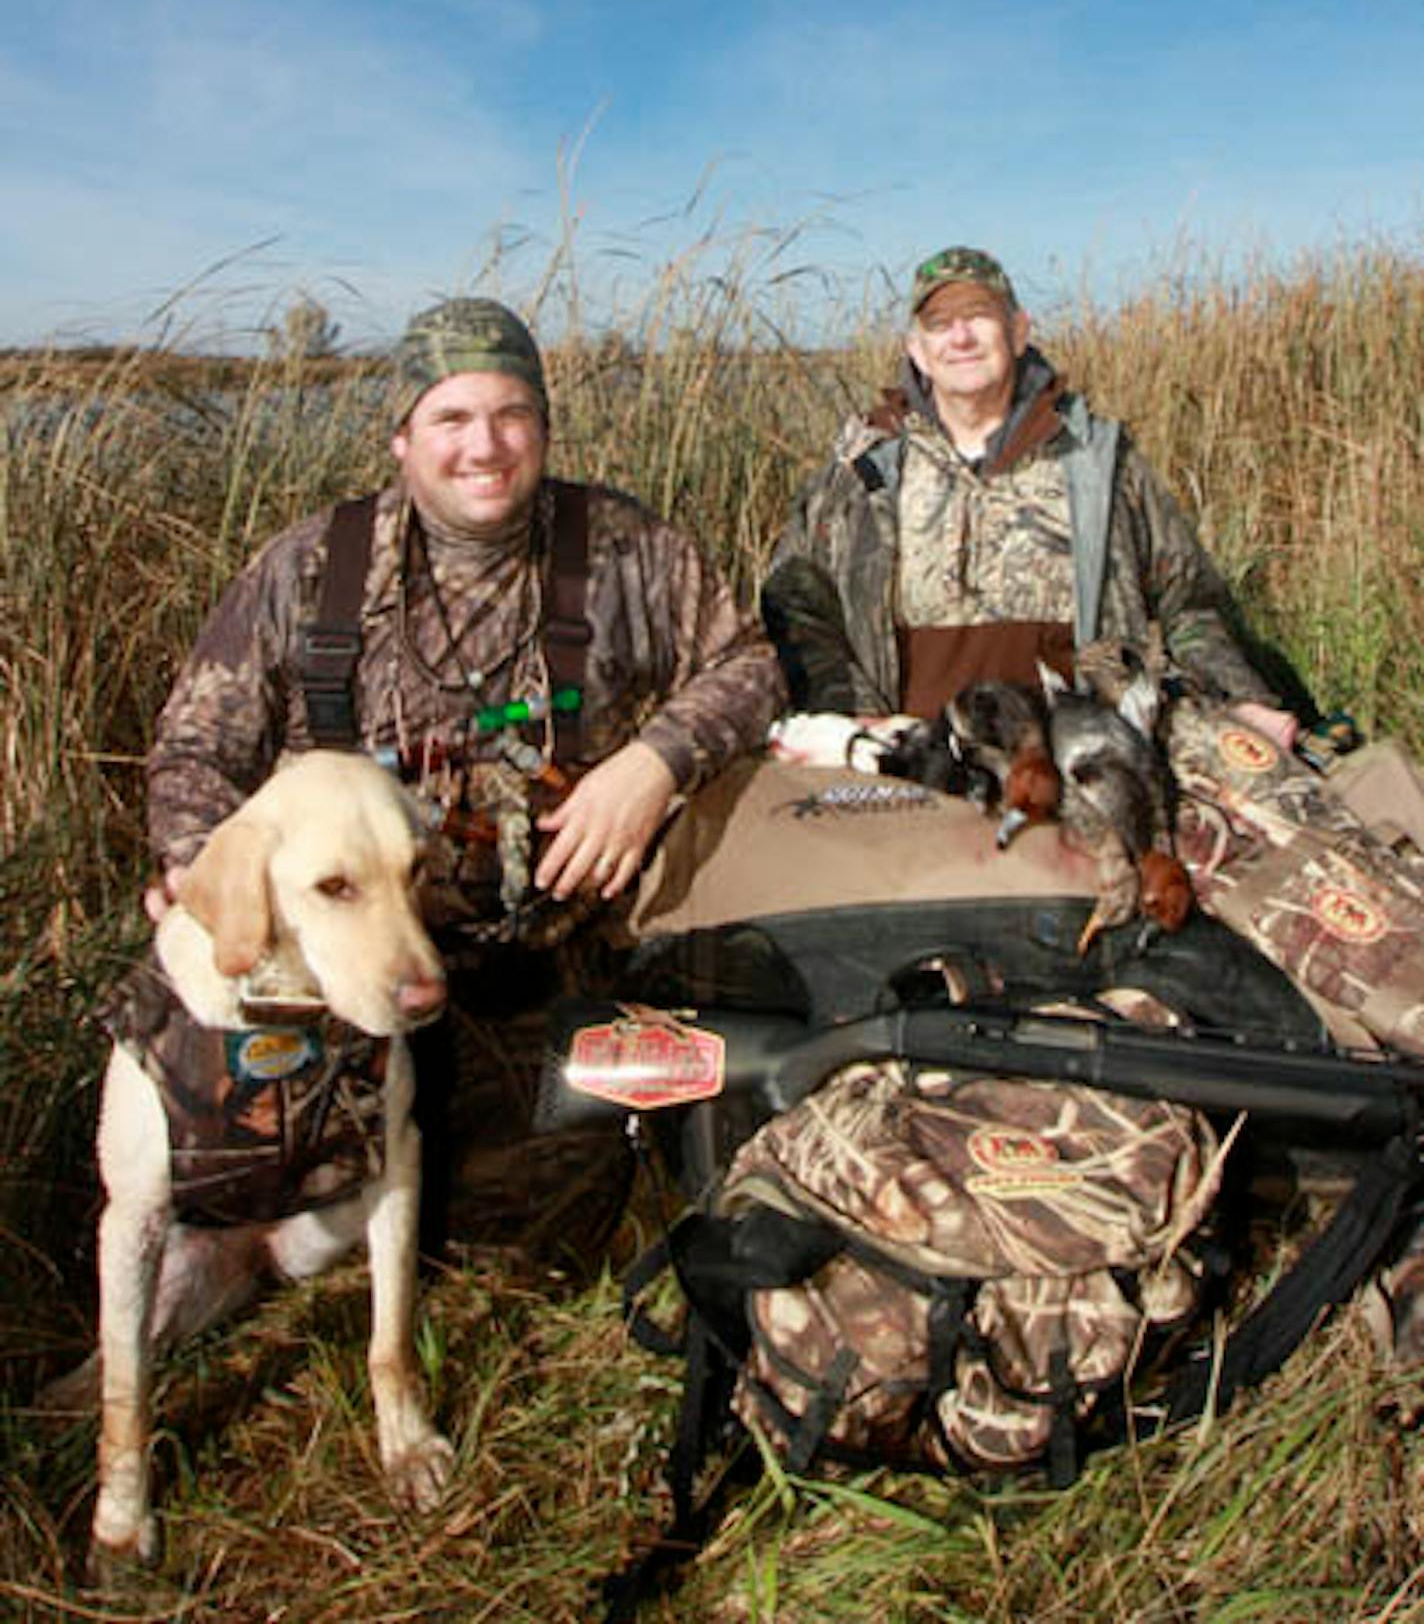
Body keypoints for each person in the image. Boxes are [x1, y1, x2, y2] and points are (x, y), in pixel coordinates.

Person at [144, 296, 785, 1260]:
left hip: (535, 966)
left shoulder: (622, 547)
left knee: (514, 1245)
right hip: (335, 985)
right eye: (450, 417)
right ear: (402, 438)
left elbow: (752, 667)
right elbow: (195, 754)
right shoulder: (309, 569)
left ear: (543, 428)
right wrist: (207, 880)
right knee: (209, 1178)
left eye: (511, 414)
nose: (484, 445)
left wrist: (654, 764)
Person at [761, 245, 1298, 748]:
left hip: (1083, 761)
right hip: (910, 769)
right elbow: (794, 603)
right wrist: (846, 716)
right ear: (917, 351)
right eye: (939, 324)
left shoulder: (1098, 462)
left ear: (1019, 332)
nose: (961, 337)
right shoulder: (862, 473)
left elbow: (1190, 601)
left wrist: (1243, 702)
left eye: (979, 315)